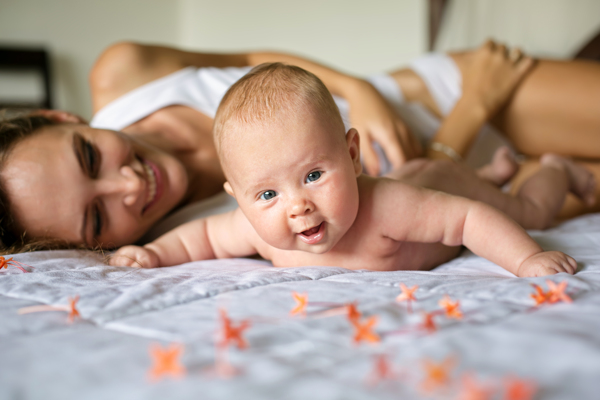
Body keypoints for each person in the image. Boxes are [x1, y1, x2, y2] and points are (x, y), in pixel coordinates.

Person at [0, 40, 597, 253]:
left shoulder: (124, 72)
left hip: (440, 99)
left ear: (62, 115)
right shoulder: (189, 238)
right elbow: (410, 194)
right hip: (462, 149)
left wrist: (360, 89)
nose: (129, 185)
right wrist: (474, 115)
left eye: (88, 156)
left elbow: (261, 60)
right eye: (98, 216)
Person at [109, 63, 592, 277]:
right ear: (237, 196)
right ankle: (496, 168)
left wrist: (527, 261)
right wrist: (152, 253)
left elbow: (469, 221)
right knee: (464, 183)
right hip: (426, 176)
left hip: (440, 185)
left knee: (528, 212)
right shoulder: (254, 230)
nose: (297, 205)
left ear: (353, 155)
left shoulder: (389, 207)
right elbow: (204, 240)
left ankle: (553, 169)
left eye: (314, 175)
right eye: (267, 195)